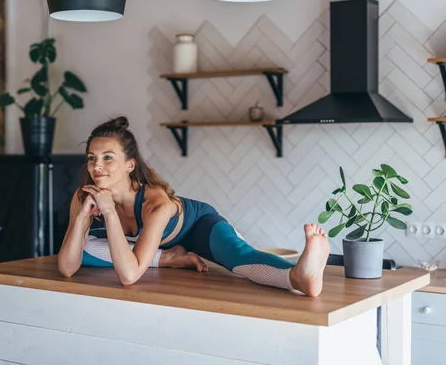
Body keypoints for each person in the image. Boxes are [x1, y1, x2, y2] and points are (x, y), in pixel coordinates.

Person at [57, 116, 330, 297]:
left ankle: (298, 277)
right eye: (92, 158)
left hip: (198, 226)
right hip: (152, 246)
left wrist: (107, 212)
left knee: (239, 258)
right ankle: (166, 258)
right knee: (84, 248)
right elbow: (67, 268)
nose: (97, 166)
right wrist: (82, 217)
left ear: (130, 165)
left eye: (107, 157)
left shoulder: (156, 203)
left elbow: (128, 277)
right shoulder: (85, 197)